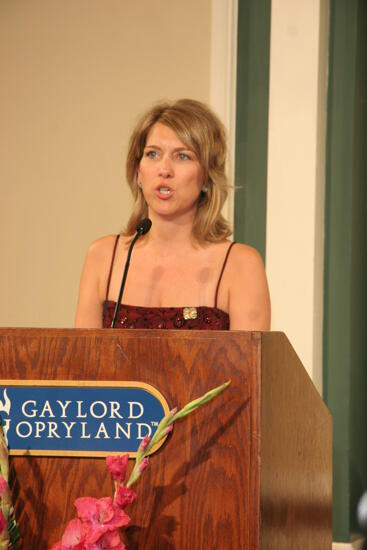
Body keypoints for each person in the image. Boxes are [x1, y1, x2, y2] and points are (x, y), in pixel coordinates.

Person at [75, 99, 270, 330]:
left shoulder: (240, 265)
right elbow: (83, 364)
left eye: (182, 156)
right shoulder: (103, 258)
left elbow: (249, 365)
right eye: (153, 154)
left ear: (207, 177)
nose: (164, 170)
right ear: (138, 172)